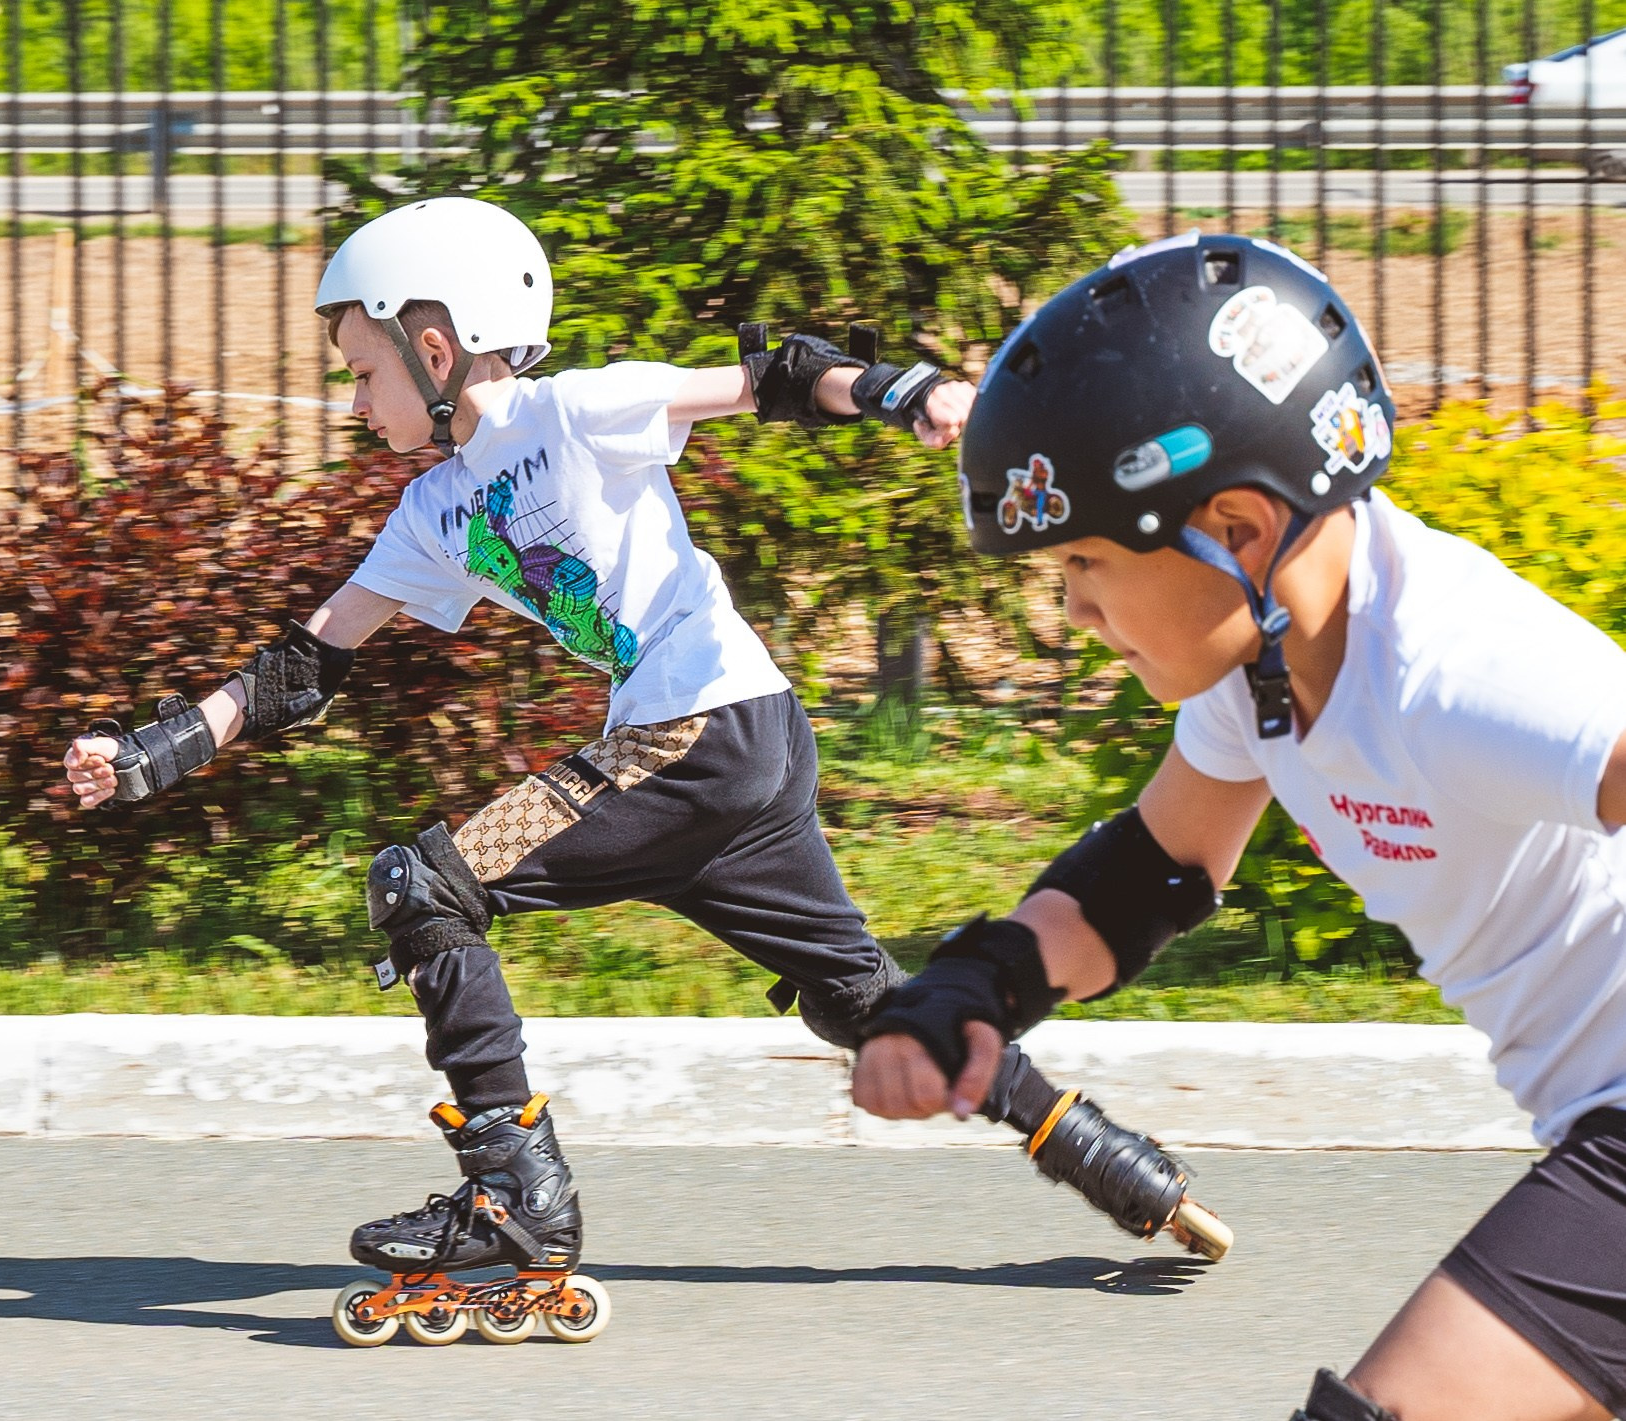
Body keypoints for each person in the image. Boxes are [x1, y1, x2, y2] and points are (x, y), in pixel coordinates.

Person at [61, 196, 1207, 1347]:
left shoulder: (570, 413)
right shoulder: (429, 512)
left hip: (692, 735)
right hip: (736, 744)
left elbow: (773, 378)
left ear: (435, 348)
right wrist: (147, 754)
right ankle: (1105, 1157)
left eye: (362, 371)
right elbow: (301, 669)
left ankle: (516, 1199)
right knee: (866, 1003)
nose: (352, 401)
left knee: (424, 882)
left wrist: (910, 394)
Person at [851, 231, 1626, 1419]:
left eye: (1092, 561)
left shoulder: (1454, 671)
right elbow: (1153, 872)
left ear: (1242, 529)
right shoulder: (1263, 675)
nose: (1077, 609)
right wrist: (976, 984)